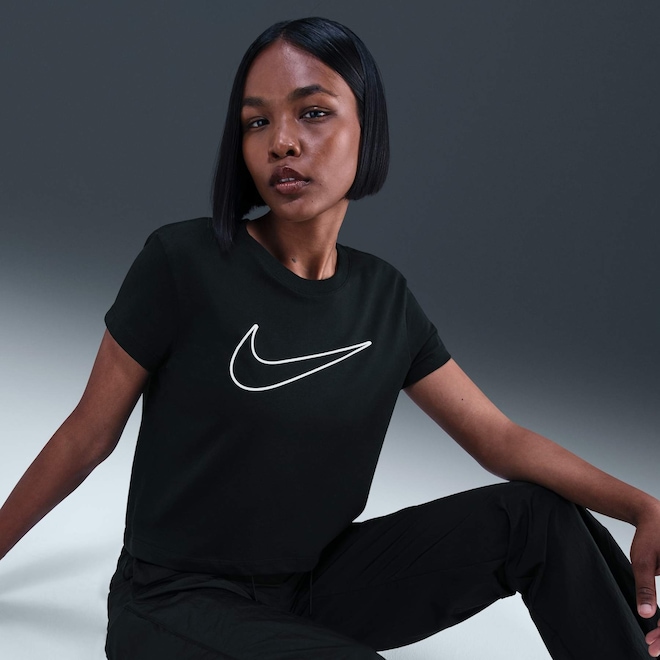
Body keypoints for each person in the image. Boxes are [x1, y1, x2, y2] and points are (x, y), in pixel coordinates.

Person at [0, 16, 659, 660]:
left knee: (540, 519)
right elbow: (87, 435)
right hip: (176, 600)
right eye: (257, 122)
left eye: (312, 113)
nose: (282, 142)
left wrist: (640, 507)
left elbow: (500, 439)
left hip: (318, 589)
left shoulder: (384, 297)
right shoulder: (184, 263)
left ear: (367, 129)